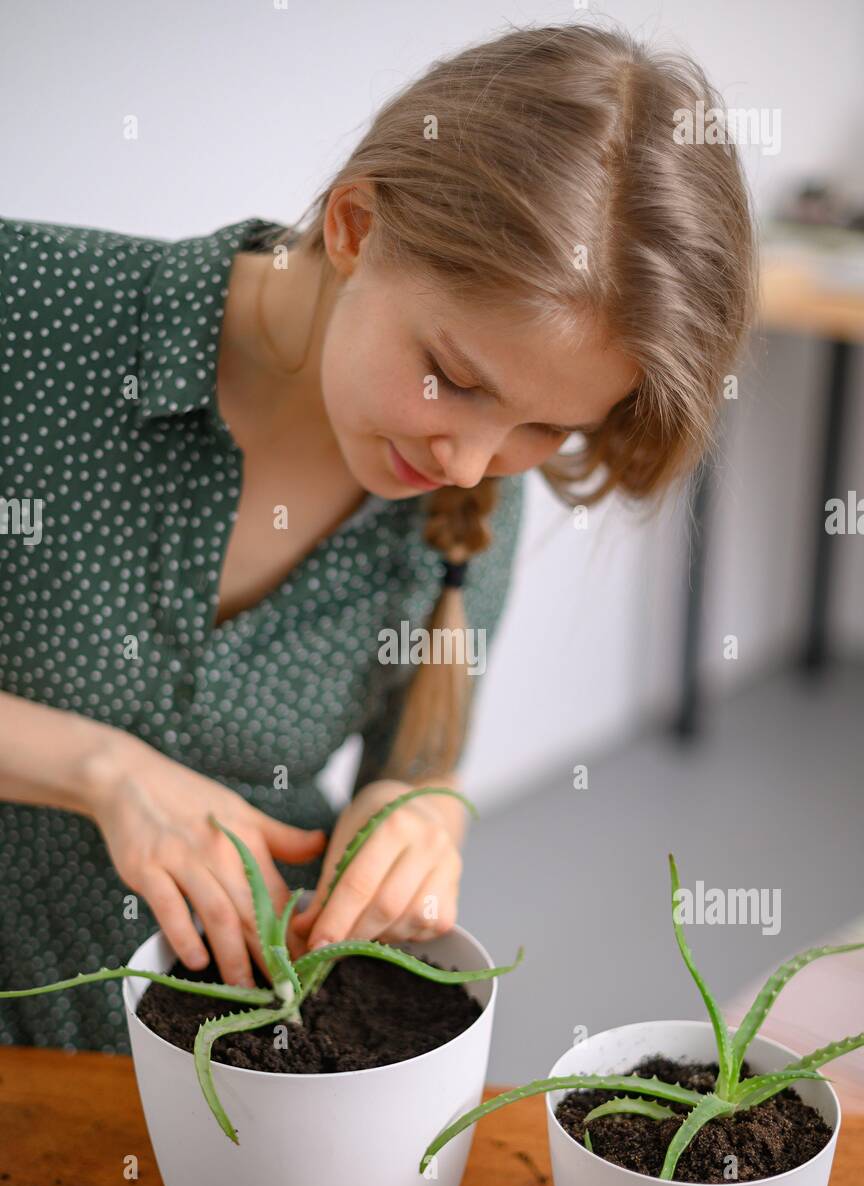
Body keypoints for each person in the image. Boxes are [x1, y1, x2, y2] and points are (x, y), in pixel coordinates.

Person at [0, 21, 757, 1052]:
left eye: (545, 425)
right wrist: (100, 770)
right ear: (356, 226)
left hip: (225, 1091)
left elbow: (412, 768)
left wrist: (419, 814)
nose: (468, 462)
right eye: (456, 376)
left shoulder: (471, 500)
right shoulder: (32, 313)